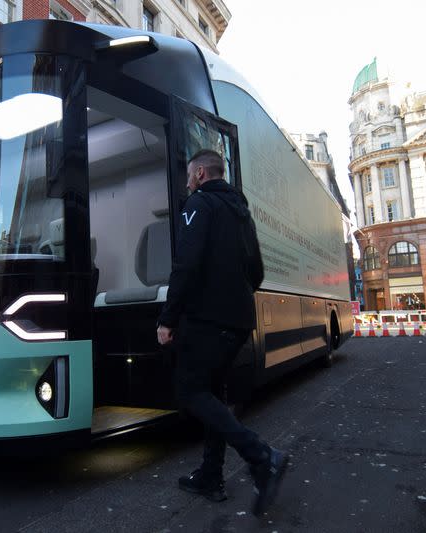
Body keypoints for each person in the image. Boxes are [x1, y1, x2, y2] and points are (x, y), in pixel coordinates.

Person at [156, 149, 288, 517]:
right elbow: (257, 271)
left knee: (190, 390)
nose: (186, 181)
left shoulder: (199, 204)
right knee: (212, 391)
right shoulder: (240, 210)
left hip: (207, 319)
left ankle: (263, 457)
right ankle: (211, 476)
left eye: (188, 174)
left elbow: (186, 263)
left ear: (199, 174)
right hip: (239, 320)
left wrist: (168, 319)